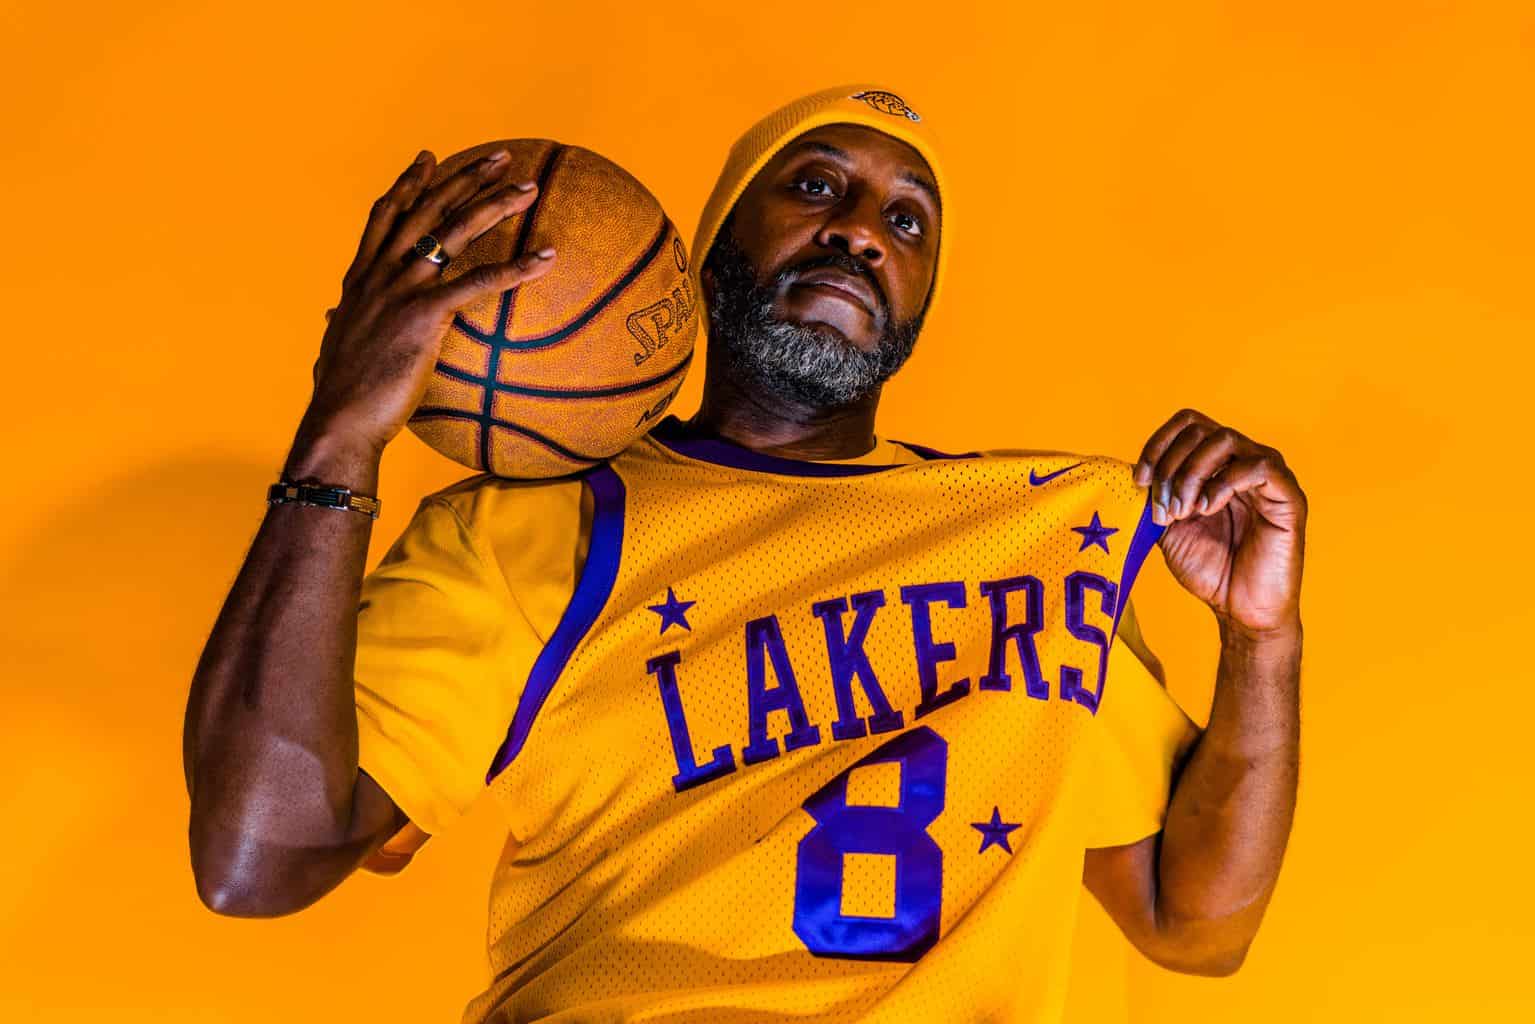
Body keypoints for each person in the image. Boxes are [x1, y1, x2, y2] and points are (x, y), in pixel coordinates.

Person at [184, 84, 1305, 1022]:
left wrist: (1259, 640)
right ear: (706, 246)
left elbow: (1195, 922)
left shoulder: (1036, 537)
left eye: (906, 221)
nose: (860, 230)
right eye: (814, 184)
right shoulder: (533, 527)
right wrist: (341, 431)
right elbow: (255, 860)